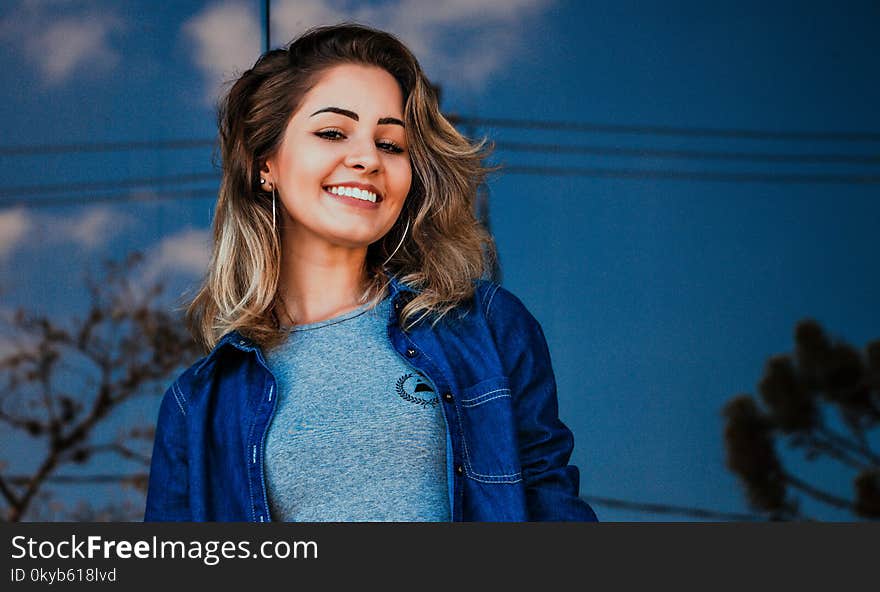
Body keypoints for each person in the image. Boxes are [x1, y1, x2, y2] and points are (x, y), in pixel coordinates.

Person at [144, 23, 597, 522]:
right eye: (332, 132)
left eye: (391, 144)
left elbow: (551, 505)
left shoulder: (486, 327)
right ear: (263, 163)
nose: (366, 159)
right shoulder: (199, 405)